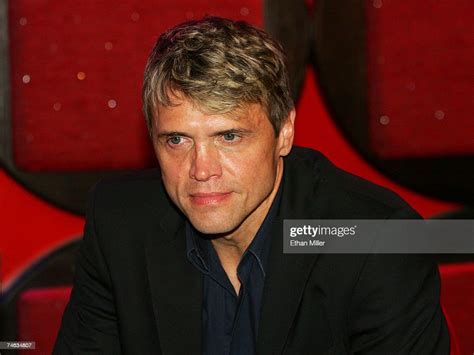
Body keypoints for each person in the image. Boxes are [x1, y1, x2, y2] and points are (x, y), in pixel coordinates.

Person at [54, 16, 449, 354]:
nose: (201, 170)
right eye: (177, 140)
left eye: (229, 137)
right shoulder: (120, 223)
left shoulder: (377, 240)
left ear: (285, 133)